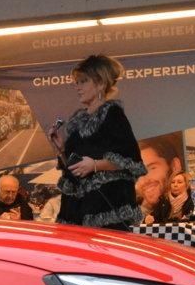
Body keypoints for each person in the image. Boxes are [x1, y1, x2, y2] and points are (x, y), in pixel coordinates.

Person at [49, 54, 147, 229]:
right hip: (77, 206)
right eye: (77, 82)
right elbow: (73, 169)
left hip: (106, 205)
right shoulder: (78, 121)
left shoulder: (113, 114)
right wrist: (62, 149)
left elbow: (130, 159)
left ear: (101, 83)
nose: (78, 87)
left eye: (83, 81)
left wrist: (95, 165)